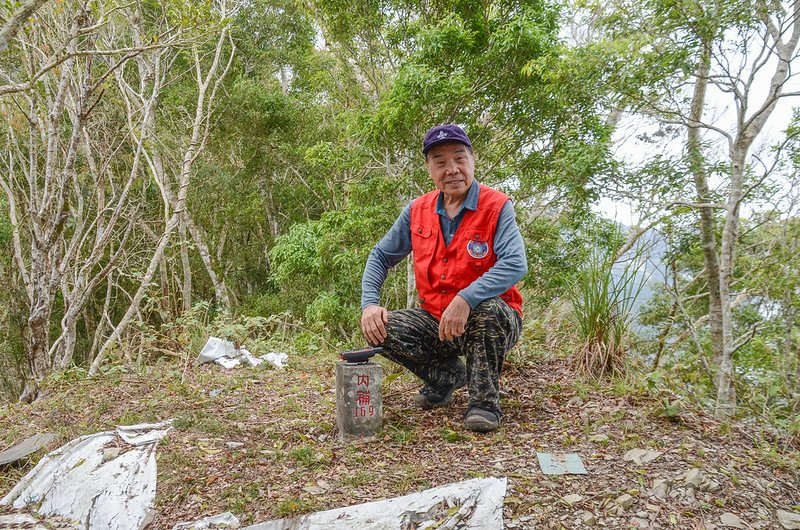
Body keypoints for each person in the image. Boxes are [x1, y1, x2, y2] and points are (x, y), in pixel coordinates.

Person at [360, 124, 527, 432]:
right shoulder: (417, 210)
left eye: (459, 158)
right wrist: (370, 304)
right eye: (440, 162)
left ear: (473, 160)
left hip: (493, 319)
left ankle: (484, 403)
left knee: (487, 311)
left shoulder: (497, 206)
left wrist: (466, 298)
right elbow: (380, 256)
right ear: (429, 169)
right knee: (380, 329)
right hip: (437, 319)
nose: (452, 169)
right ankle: (447, 376)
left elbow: (516, 263)